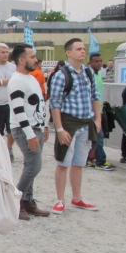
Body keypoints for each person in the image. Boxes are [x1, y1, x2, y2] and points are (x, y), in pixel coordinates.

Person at [49, 38, 101, 214]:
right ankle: (60, 199)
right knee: (63, 162)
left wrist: (98, 120)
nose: (82, 52)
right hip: (69, 124)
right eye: (78, 49)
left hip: (86, 124)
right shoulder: (61, 75)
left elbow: (95, 97)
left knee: (79, 163)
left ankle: (77, 198)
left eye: (83, 49)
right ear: (68, 52)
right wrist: (60, 129)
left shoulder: (88, 72)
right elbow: (54, 104)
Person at [7, 44, 50, 220]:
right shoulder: (17, 80)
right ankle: (16, 201)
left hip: (36, 127)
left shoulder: (31, 78)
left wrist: (44, 125)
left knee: (31, 166)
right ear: (22, 60)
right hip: (25, 129)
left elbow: (40, 104)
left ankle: (27, 200)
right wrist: (30, 134)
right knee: (34, 165)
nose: (36, 59)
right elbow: (18, 110)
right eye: (32, 57)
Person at [85, 53, 115, 170]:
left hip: (99, 111)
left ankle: (88, 159)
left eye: (100, 61)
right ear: (90, 63)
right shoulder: (90, 75)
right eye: (96, 61)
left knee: (94, 137)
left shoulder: (98, 75)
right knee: (99, 137)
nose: (99, 63)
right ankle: (100, 161)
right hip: (92, 112)